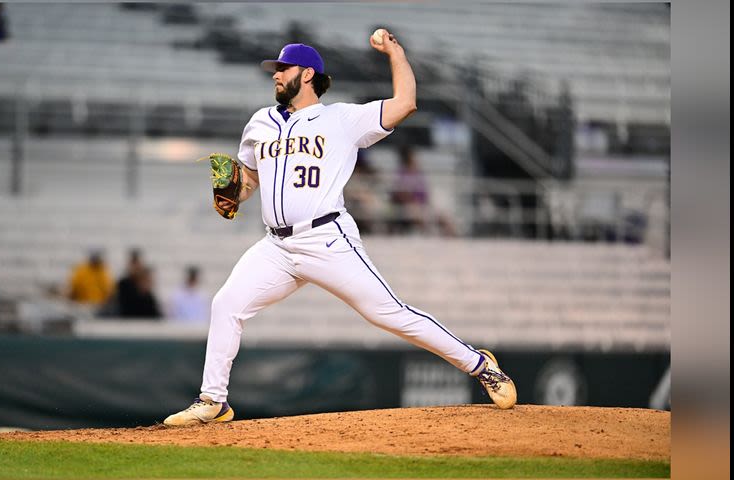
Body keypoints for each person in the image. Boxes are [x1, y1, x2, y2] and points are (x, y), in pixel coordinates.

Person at [164, 34, 516, 426]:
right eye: (275, 70)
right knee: (226, 304)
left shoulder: (341, 120)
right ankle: (214, 400)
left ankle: (480, 364)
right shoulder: (259, 122)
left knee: (389, 313)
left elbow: (406, 103)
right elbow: (249, 179)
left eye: (283, 69)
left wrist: (396, 53)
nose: (276, 76)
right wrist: (232, 192)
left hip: (326, 238)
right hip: (276, 247)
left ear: (308, 74)